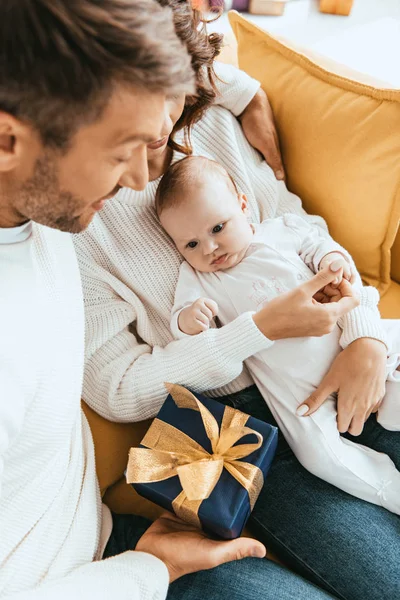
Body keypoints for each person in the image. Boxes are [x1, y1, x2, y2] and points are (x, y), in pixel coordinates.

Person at [0, 1, 343, 600]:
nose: (141, 179)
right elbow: (116, 382)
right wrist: (144, 571)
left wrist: (235, 87)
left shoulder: (45, 212)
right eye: (117, 152)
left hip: (112, 537)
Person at [74, 3, 400, 599]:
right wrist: (253, 332)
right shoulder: (74, 218)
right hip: (240, 426)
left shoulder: (208, 125)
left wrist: (365, 335)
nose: (149, 164)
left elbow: (303, 236)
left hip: (336, 349)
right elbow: (115, 388)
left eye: (166, 125)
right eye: (129, 143)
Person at [153, 154, 400, 513]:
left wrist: (332, 259)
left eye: (217, 229)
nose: (209, 248)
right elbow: (180, 323)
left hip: (351, 339)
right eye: (190, 244)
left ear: (242, 205)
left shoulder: (282, 231)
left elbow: (322, 246)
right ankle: (386, 486)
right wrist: (190, 319)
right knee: (317, 455)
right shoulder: (197, 278)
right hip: (300, 394)